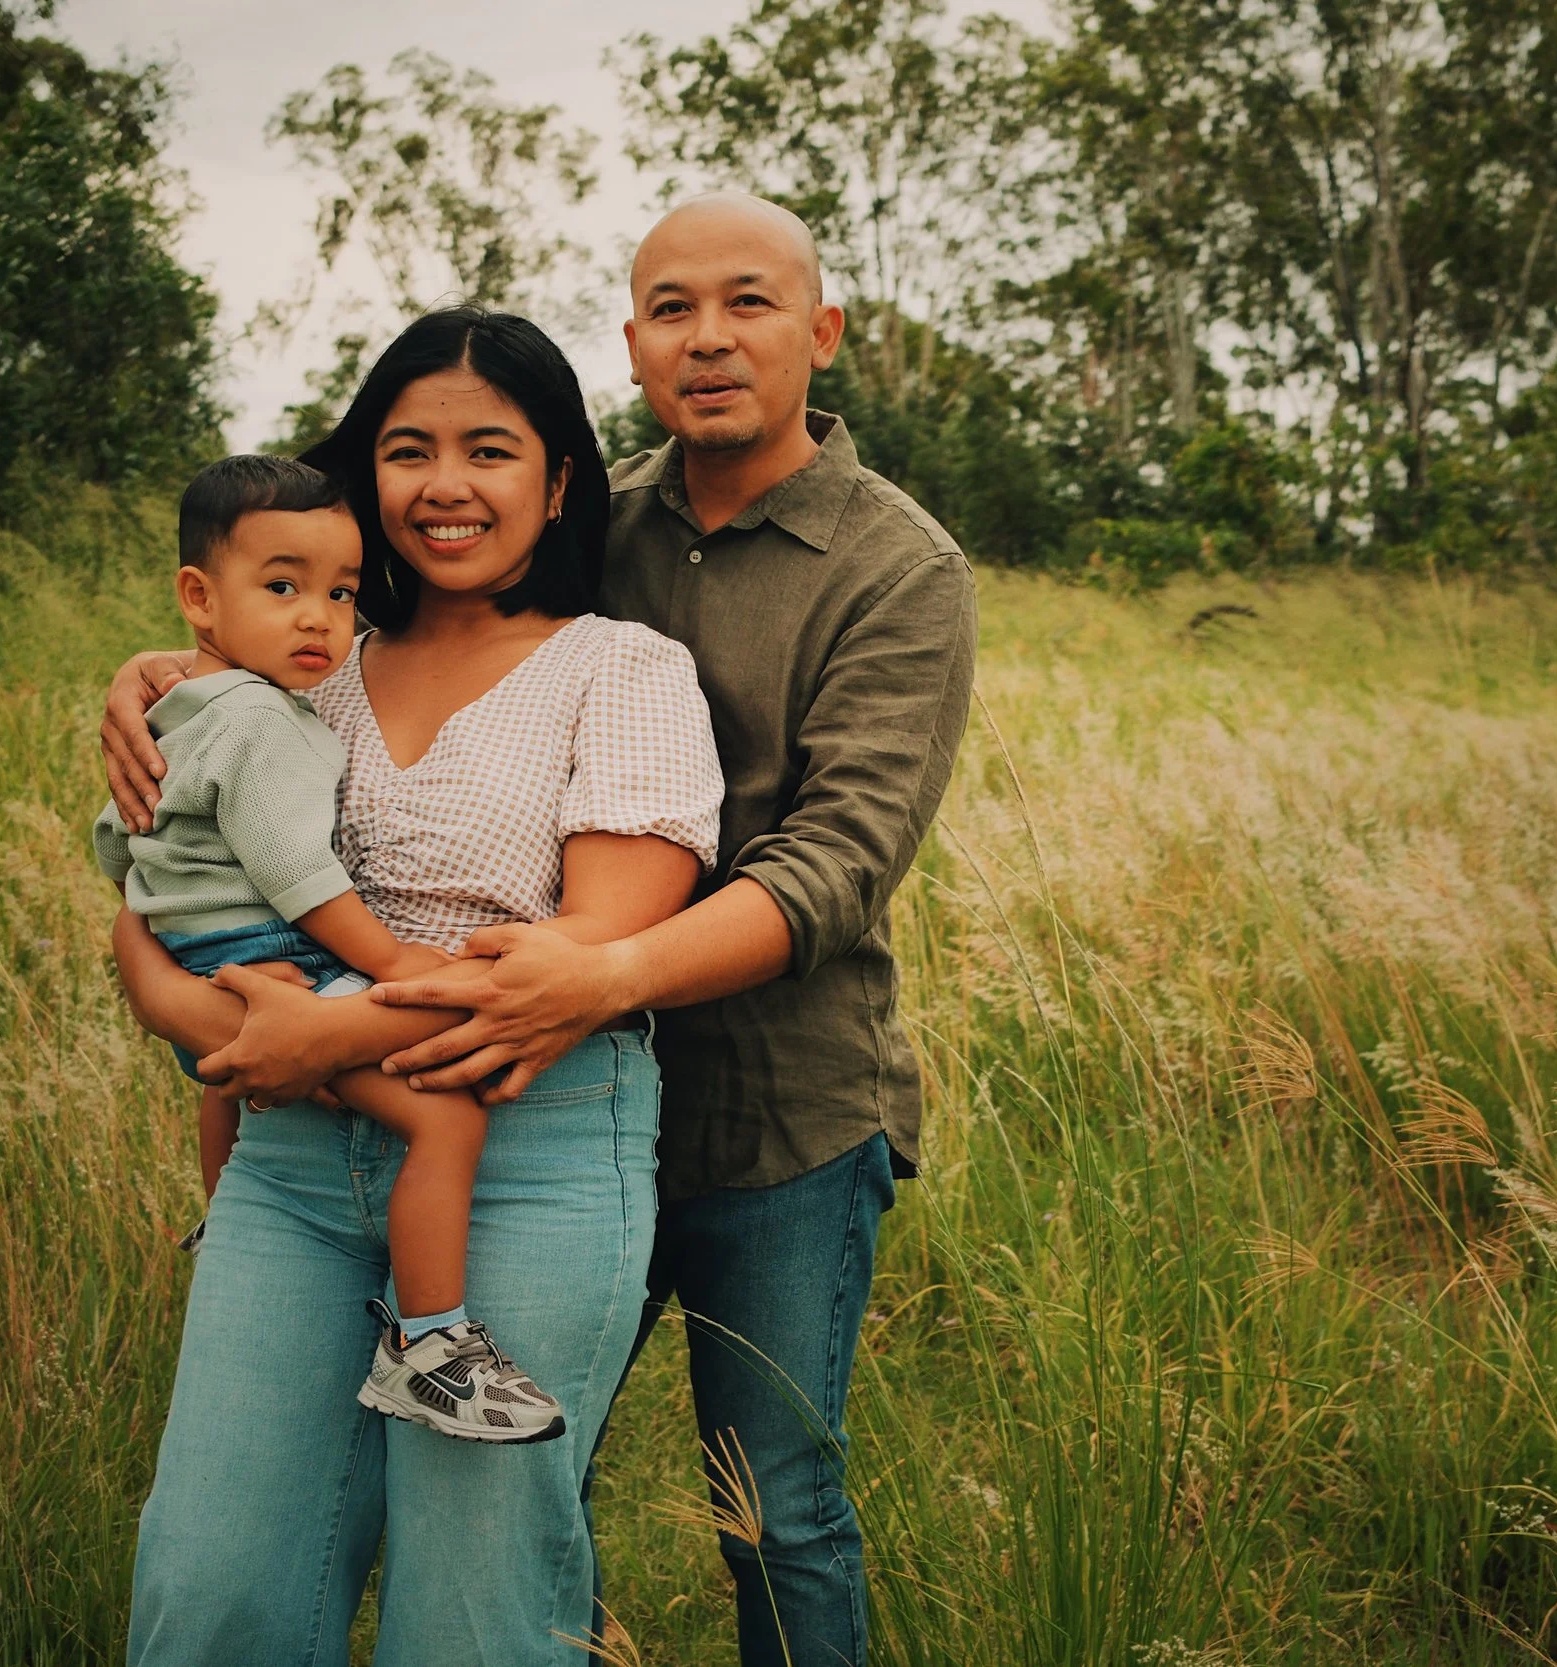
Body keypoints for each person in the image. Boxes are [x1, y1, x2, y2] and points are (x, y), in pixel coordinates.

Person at [105, 193, 978, 1667]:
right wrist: (177, 674)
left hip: (736, 1095)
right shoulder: (537, 547)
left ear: (821, 331)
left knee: (759, 1504)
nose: (710, 337)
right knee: (292, 1560)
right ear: (632, 343)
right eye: (673, 308)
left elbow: (827, 866)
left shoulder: (889, 572)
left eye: (750, 302)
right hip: (383, 1111)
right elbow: (192, 853)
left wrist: (369, 1015)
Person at [109, 308, 725, 1664]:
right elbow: (161, 908)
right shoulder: (298, 670)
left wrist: (314, 1025)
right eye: (407, 449)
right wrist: (191, 1011)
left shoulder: (621, 671)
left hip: (531, 1147)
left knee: (475, 1609)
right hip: (286, 1161)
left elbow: (557, 972)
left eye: (489, 449)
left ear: (560, 480)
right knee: (210, 1591)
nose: (445, 484)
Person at [90, 451, 564, 1443]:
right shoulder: (265, 720)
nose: (318, 616)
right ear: (197, 597)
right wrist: (395, 963)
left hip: (199, 960)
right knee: (443, 1119)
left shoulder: (176, 710)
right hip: (273, 954)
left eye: (340, 592)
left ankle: (224, 1214)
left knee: (229, 1079)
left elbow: (116, 836)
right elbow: (299, 872)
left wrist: (175, 926)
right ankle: (429, 1344)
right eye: (282, 586)